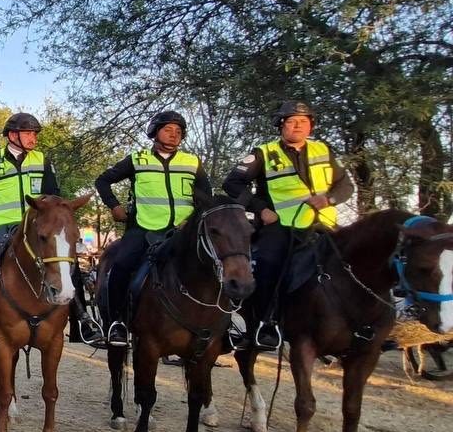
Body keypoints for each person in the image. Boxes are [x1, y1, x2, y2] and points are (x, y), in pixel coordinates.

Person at [0, 112, 94, 345]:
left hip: (35, 228)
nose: (33, 138)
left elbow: (54, 197)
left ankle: (82, 320)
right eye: (28, 133)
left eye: (34, 133)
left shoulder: (42, 160)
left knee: (68, 265)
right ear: (13, 135)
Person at [223, 101, 354, 349]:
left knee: (357, 261)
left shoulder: (322, 150)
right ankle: (264, 324)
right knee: (269, 265)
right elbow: (232, 184)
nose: (298, 126)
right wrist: (260, 208)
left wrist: (329, 199)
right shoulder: (263, 153)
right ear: (281, 125)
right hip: (281, 226)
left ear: (311, 125)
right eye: (291, 121)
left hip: (322, 225)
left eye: (303, 122)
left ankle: (362, 324)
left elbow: (346, 186)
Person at [94, 110, 212, 347]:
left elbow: (206, 196)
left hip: (184, 230)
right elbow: (102, 180)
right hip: (144, 228)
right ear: (154, 132)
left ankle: (223, 326)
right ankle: (116, 322)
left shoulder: (192, 162)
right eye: (168, 130)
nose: (174, 135)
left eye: (178, 132)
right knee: (121, 265)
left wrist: (194, 221)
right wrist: (115, 206)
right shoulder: (137, 159)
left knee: (216, 265)